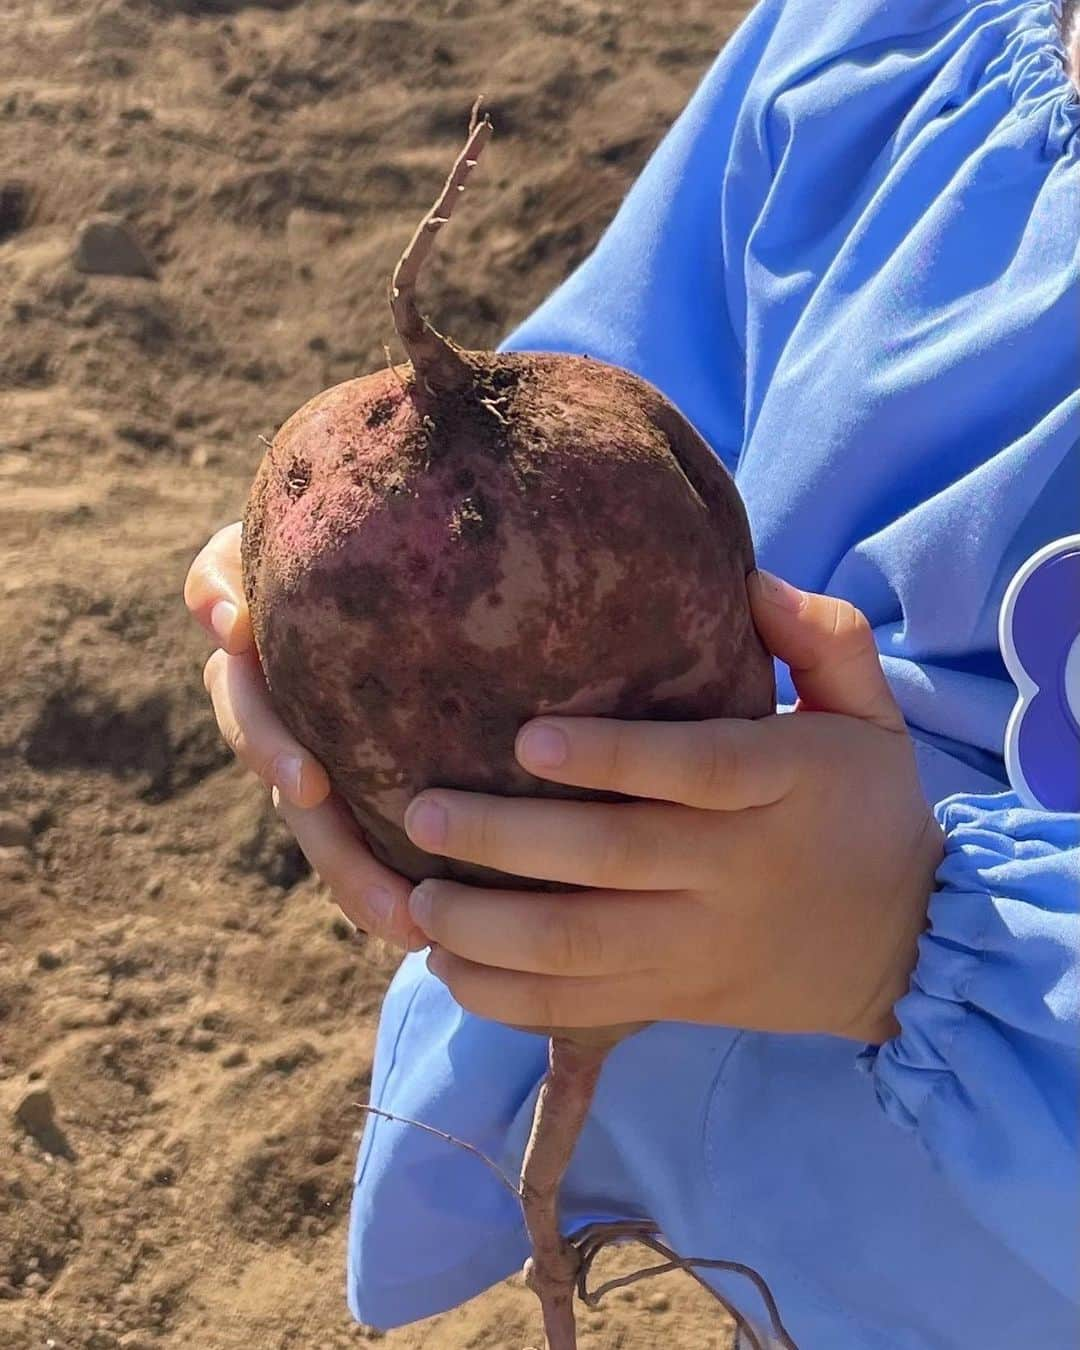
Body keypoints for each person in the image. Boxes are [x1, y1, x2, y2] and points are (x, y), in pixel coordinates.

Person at [185, 1, 1079, 1344]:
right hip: (794, 1218)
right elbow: (606, 412)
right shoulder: (876, 46)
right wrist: (374, 578)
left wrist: (910, 936)